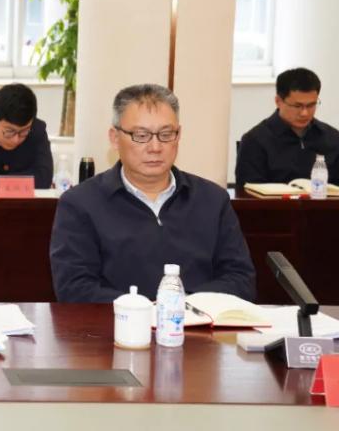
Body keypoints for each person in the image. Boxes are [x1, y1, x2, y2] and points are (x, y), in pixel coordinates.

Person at [50, 84, 255, 303]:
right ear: (115, 137)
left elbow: (241, 280)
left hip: (198, 321)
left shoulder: (212, 200)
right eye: (141, 135)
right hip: (117, 323)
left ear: (178, 135)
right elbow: (74, 289)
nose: (155, 147)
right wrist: (145, 310)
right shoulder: (80, 204)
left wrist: (181, 307)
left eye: (166, 134)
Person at [235, 67, 339, 188]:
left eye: (311, 105)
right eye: (297, 106)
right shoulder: (255, 141)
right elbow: (247, 192)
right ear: (278, 101)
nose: (304, 113)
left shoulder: (333, 138)